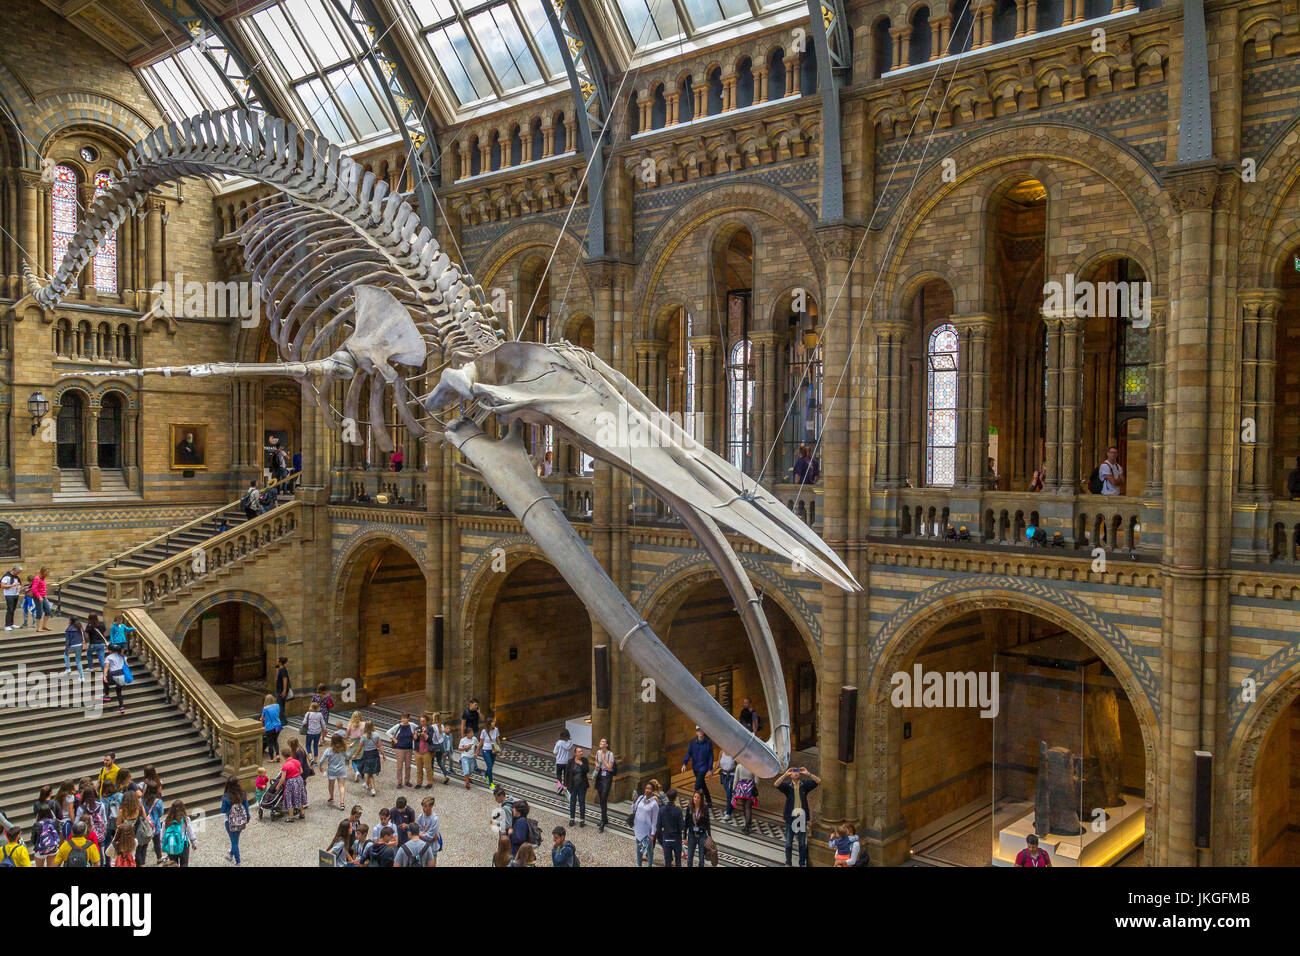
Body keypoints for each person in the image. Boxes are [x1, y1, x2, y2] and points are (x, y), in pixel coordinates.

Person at [775, 765, 821, 867]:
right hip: (790, 818)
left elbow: (818, 781)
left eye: (797, 772)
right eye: (793, 772)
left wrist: (808, 773)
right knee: (788, 843)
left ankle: (802, 863)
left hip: (801, 818)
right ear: (791, 775)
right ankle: (788, 862)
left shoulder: (804, 785)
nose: (796, 773)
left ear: (800, 774)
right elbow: (776, 784)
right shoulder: (788, 787)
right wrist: (785, 774)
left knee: (802, 843)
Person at [680, 726, 714, 807]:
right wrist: (684, 764)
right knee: (702, 784)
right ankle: (709, 801)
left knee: (697, 785)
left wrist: (710, 769)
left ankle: (694, 803)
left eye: (702, 730)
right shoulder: (693, 742)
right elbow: (689, 753)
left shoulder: (708, 743)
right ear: (696, 732)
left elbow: (710, 756)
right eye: (698, 730)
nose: (700, 732)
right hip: (695, 767)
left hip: (704, 767)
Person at [221, 776, 250, 865]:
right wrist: (248, 817)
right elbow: (246, 806)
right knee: (236, 840)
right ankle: (230, 854)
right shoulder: (243, 794)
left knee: (234, 841)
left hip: (229, 822)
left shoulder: (226, 796)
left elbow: (223, 810)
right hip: (241, 821)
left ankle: (238, 861)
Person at [161, 800, 196, 866]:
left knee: (173, 864)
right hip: (183, 844)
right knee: (184, 863)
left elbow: (163, 834)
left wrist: (162, 845)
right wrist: (194, 842)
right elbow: (190, 832)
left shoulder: (167, 820)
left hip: (171, 845)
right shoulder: (185, 819)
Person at [632, 782, 659, 867]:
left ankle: (649, 865)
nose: (647, 790)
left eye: (649, 789)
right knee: (639, 848)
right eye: (646, 788)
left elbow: (655, 820)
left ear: (652, 791)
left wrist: (652, 834)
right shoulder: (640, 798)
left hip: (647, 830)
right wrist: (633, 802)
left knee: (649, 850)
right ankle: (639, 865)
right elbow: (634, 810)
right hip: (638, 828)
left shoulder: (654, 804)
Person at [656, 787, 683, 867]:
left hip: (666, 838)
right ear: (675, 798)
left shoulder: (662, 810)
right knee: (678, 862)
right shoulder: (678, 810)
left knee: (667, 862)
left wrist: (662, 839)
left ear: (667, 797)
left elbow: (658, 826)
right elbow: (681, 826)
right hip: (676, 838)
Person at [593, 738, 615, 832]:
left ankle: (603, 819)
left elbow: (610, 767)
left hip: (607, 776)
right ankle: (604, 818)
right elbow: (595, 760)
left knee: (603, 796)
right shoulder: (598, 752)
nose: (601, 743)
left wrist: (603, 760)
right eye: (600, 741)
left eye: (603, 742)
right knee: (601, 797)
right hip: (600, 775)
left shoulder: (610, 754)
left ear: (606, 745)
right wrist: (597, 764)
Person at [280, 747, 308, 821]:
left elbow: (282, 779)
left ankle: (291, 817)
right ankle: (302, 813)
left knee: (289, 798)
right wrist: (295, 774)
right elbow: (301, 771)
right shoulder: (296, 761)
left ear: (283, 756)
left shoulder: (285, 766)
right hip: (299, 780)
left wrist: (277, 786)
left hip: (290, 782)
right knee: (299, 795)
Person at [685, 789, 712, 867]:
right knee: (690, 856)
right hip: (691, 834)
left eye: (698, 798)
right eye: (695, 797)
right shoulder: (689, 807)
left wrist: (709, 836)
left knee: (701, 857)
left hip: (702, 835)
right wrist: (684, 837)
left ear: (701, 799)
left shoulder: (705, 808)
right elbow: (686, 822)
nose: (695, 799)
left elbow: (707, 823)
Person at [322, 733, 349, 808]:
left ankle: (331, 797)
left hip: (332, 770)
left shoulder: (328, 750)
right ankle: (342, 803)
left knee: (331, 785)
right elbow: (348, 756)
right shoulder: (342, 750)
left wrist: (320, 766)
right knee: (341, 786)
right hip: (341, 769)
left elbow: (322, 760)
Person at [566, 746, 589, 827]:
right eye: (579, 752)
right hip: (573, 786)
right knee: (572, 802)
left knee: (582, 802)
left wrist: (581, 764)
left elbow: (587, 770)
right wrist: (566, 785)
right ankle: (572, 818)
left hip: (582, 786)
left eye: (581, 751)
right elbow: (567, 774)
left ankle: (582, 820)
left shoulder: (584, 760)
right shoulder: (570, 762)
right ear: (575, 753)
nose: (581, 753)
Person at [732, 762, 758, 833]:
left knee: (744, 806)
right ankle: (748, 825)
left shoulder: (739, 766)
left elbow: (736, 779)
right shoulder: (753, 766)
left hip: (741, 788)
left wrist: (733, 789)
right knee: (748, 807)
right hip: (750, 788)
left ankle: (747, 823)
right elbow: (756, 781)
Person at [390, 712, 414, 789]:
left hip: (409, 748)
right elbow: (388, 732)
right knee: (399, 766)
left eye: (405, 718)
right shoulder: (398, 726)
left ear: (408, 718)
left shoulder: (412, 725)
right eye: (402, 718)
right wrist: (393, 738)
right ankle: (399, 782)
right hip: (399, 748)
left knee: (408, 766)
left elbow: (417, 729)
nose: (403, 719)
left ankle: (407, 781)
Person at [358, 722, 382, 796]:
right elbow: (380, 746)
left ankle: (373, 789)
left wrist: (355, 754)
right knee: (370, 771)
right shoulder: (377, 734)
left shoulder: (363, 736)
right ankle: (366, 784)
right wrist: (383, 755)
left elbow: (360, 747)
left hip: (367, 755)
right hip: (375, 754)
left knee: (370, 773)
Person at [102, 644, 128, 714]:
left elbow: (106, 667)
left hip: (113, 675)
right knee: (118, 691)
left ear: (110, 650)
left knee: (105, 680)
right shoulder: (123, 656)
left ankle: (107, 695)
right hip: (122, 675)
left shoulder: (109, 657)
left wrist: (104, 675)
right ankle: (122, 707)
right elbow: (126, 665)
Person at [479, 716, 502, 790]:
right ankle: (491, 783)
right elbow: (481, 742)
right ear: (489, 723)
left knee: (490, 766)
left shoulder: (496, 730)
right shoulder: (484, 731)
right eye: (492, 722)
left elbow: (498, 740)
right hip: (486, 750)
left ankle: (486, 775)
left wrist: (500, 749)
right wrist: (476, 751)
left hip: (493, 750)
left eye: (494, 722)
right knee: (489, 766)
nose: (494, 723)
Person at [413, 714, 435, 789]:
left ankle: (430, 783)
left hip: (427, 751)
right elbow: (415, 739)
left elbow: (430, 739)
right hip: (418, 751)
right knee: (419, 769)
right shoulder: (417, 728)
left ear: (426, 721)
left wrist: (425, 735)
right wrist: (415, 735)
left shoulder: (430, 728)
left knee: (428, 768)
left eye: (423, 721)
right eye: (421, 721)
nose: (422, 722)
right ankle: (419, 783)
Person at [302, 702, 326, 767]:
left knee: (307, 744)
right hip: (318, 732)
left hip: (310, 732)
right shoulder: (320, 714)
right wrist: (324, 730)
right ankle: (315, 761)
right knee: (315, 745)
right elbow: (323, 724)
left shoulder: (308, 714)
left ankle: (310, 757)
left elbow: (304, 722)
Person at [552, 728, 574, 794]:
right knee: (565, 775)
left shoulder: (558, 743)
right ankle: (565, 786)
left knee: (558, 775)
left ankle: (560, 786)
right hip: (567, 762)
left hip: (559, 761)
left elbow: (554, 752)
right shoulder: (570, 743)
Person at [261, 694, 282, 760]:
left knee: (270, 743)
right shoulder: (277, 706)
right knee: (275, 741)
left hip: (270, 727)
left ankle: (272, 758)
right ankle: (278, 755)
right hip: (278, 725)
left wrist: (261, 719)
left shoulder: (265, 708)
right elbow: (277, 714)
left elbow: (262, 718)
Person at [717, 751, 736, 821]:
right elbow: (718, 763)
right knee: (728, 793)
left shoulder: (734, 753)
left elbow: (739, 765)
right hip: (724, 775)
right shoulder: (721, 752)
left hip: (732, 775)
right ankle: (731, 806)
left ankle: (728, 813)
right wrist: (712, 771)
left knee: (729, 793)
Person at [1, 564, 21, 630]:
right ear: (14, 570)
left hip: (15, 594)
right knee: (10, 609)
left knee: (13, 609)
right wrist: (12, 585)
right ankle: (7, 625)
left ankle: (11, 624)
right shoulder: (6, 576)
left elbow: (18, 584)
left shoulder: (16, 577)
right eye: (18, 572)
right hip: (9, 595)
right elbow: (3, 586)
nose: (18, 573)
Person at [274, 656, 291, 723]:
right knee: (281, 706)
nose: (276, 662)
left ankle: (282, 720)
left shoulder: (283, 670)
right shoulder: (281, 669)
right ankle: (284, 720)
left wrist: (284, 690)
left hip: (281, 691)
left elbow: (285, 680)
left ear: (280, 663)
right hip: (280, 690)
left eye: (277, 661)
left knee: (280, 706)